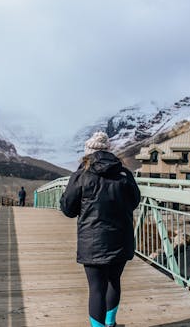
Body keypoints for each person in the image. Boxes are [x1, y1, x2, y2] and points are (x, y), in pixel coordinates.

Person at [60, 131, 141, 327]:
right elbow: (135, 201)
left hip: (92, 242)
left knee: (96, 288)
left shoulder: (81, 175)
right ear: (109, 151)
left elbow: (68, 210)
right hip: (121, 240)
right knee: (114, 281)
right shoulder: (124, 173)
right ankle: (111, 323)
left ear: (88, 153)